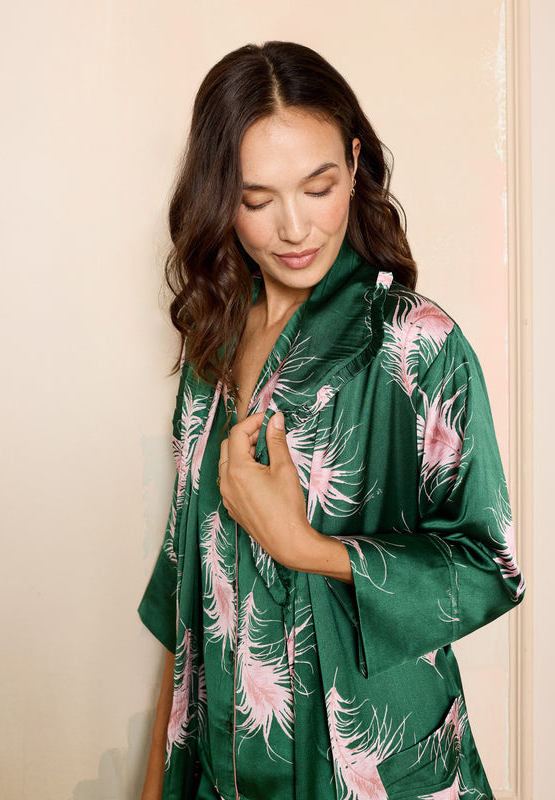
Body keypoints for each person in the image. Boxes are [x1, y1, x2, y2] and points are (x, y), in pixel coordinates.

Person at [139, 41, 525, 800]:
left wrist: (306, 547)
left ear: (354, 164)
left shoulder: (418, 346)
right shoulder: (209, 350)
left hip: (373, 770)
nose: (294, 227)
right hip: (223, 771)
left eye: (318, 186)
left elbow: (489, 565)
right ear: (222, 198)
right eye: (256, 200)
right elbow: (187, 598)